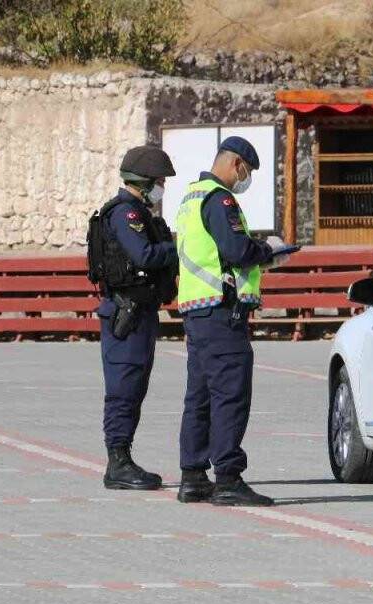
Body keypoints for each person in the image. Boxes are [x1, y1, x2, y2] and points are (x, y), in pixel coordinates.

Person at [174, 136, 293, 506]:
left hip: (198, 311)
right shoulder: (220, 199)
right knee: (230, 395)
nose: (246, 178)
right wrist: (269, 252)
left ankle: (193, 475)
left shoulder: (190, 197)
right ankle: (228, 477)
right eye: (247, 171)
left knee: (200, 397)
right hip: (223, 314)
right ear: (236, 163)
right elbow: (236, 250)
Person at [88, 145, 178, 491]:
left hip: (139, 312)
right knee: (123, 388)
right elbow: (142, 254)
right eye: (158, 181)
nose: (162, 188)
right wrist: (178, 248)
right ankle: (118, 462)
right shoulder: (126, 213)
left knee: (134, 387)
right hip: (126, 313)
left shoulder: (138, 211)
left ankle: (124, 457)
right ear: (143, 181)